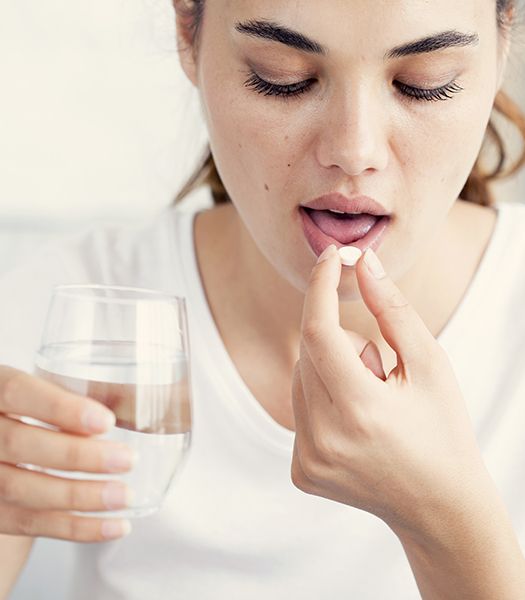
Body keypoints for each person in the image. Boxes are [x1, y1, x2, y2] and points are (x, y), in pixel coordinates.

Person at [1, 0, 525, 598]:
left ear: (501, 49)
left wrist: (450, 525)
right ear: (186, 33)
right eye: (282, 77)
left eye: (423, 84)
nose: (354, 152)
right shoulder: (67, 323)